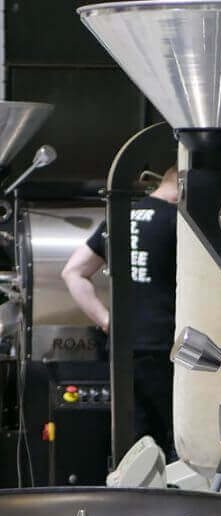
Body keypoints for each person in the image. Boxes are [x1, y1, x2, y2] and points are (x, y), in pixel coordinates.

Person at [62, 167, 178, 460]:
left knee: (133, 447)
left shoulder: (120, 215)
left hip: (121, 347)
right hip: (165, 347)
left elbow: (72, 272)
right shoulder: (178, 221)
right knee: (173, 445)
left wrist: (106, 321)